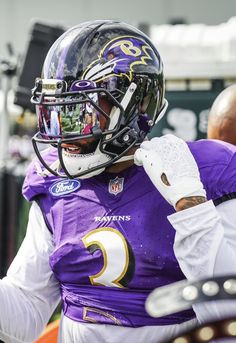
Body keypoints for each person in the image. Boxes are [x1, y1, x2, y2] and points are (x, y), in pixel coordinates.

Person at [0, 20, 236, 343]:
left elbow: (228, 320)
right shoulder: (56, 186)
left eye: (78, 115)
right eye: (54, 115)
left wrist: (192, 208)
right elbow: (26, 307)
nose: (63, 136)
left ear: (132, 105)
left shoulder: (204, 176)